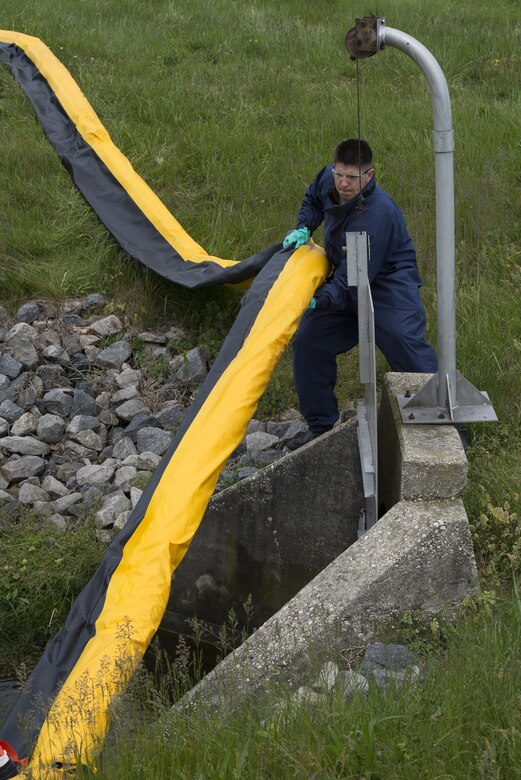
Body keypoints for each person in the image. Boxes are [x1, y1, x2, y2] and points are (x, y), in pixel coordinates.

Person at [283, 138, 438, 447]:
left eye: (352, 178)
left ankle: (447, 423)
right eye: (339, 174)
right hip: (348, 271)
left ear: (369, 175)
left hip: (387, 284)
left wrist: (321, 298)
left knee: (403, 341)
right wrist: (304, 225)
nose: (343, 183)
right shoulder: (329, 178)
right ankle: (321, 428)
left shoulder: (375, 216)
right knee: (309, 339)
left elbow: (353, 281)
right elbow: (314, 200)